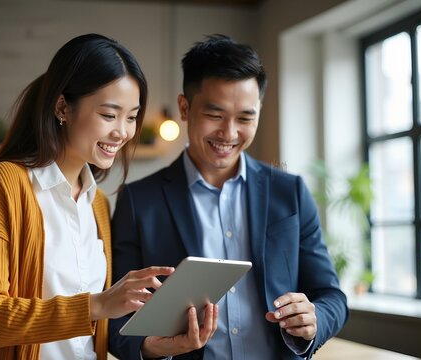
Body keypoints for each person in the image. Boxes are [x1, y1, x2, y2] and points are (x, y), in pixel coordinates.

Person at [0, 33, 216, 360]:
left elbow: (91, 338)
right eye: (109, 114)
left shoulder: (98, 204)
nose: (122, 132)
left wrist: (157, 346)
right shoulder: (2, 185)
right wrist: (98, 304)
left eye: (131, 117)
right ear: (63, 107)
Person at [109, 34, 348, 360]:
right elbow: (116, 321)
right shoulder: (139, 201)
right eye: (215, 115)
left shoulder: (289, 192)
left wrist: (314, 319)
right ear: (184, 108)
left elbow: (331, 296)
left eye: (246, 117)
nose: (230, 133)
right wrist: (154, 347)